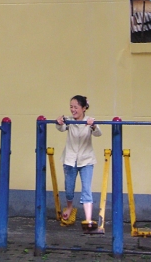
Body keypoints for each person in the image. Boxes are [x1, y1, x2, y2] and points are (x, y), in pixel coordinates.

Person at [56, 95, 102, 227]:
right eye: (71, 107)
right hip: (70, 160)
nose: (73, 110)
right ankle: (69, 207)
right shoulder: (69, 121)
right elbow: (60, 128)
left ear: (84, 108)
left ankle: (88, 219)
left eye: (76, 107)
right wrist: (59, 122)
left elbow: (98, 133)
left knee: (86, 188)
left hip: (86, 160)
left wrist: (93, 126)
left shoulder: (89, 120)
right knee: (69, 188)